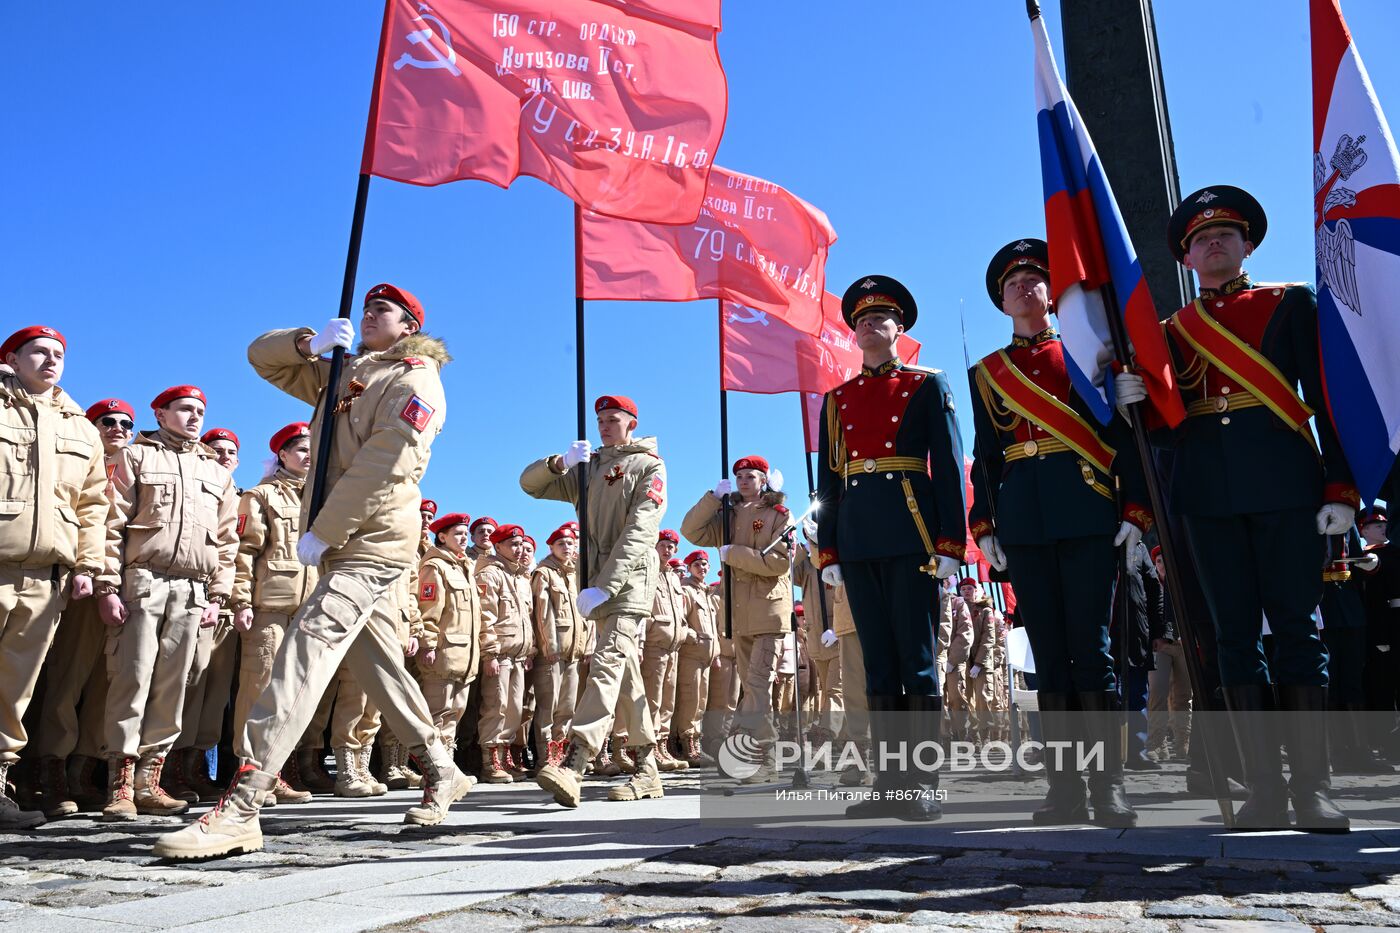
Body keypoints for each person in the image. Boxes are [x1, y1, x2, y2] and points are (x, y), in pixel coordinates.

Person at [154, 283, 471, 860]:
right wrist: (308, 342)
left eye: (384, 311)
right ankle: (441, 766)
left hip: (371, 539)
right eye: (367, 307)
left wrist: (327, 528)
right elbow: (260, 358)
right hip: (338, 542)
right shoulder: (343, 374)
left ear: (409, 328)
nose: (369, 314)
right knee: (376, 666)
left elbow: (388, 463)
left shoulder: (415, 379)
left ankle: (244, 801)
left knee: (306, 648)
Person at [1116, 186, 1358, 832]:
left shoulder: (1290, 304)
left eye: (1225, 233)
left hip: (1285, 484)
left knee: (1299, 634)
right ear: (1187, 258)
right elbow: (1167, 435)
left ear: (1247, 244)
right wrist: (1132, 400)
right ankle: (1265, 790)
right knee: (1233, 642)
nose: (1213, 243)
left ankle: (1313, 788)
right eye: (1201, 239)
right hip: (1208, 496)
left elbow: (1328, 397)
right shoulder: (1173, 333)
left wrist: (1341, 488)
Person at [969, 241, 1147, 828]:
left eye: (1033, 279)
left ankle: (1109, 786)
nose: (1023, 288)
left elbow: (1124, 440)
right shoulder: (988, 372)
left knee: (1093, 656)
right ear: (1001, 301)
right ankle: (1066, 787)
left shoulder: (1088, 350)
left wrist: (1135, 511)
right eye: (1012, 283)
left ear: (1052, 292)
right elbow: (987, 456)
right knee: (1049, 660)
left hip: (1087, 509)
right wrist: (984, 524)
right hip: (1025, 521)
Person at [815, 275, 967, 822]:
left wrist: (953, 540)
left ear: (900, 328)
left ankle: (921, 780)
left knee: (917, 661)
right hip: (857, 538)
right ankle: (890, 781)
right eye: (860, 321)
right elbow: (828, 482)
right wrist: (828, 551)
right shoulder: (838, 399)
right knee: (877, 664)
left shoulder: (928, 384)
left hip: (912, 533)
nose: (870, 327)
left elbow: (947, 467)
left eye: (881, 319)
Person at [96, 385, 238, 821]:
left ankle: (149, 780)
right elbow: (110, 522)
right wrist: (107, 584)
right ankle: (119, 785)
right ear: (160, 414)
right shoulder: (135, 458)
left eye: (199, 410)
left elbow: (229, 540)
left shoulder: (217, 473)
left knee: (172, 687)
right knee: (131, 678)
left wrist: (219, 594)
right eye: (184, 409)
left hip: (194, 589)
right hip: (143, 580)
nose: (194, 417)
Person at [522, 394, 667, 808]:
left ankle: (575, 761)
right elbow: (530, 486)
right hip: (596, 587)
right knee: (623, 675)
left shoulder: (648, 466)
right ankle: (646, 769)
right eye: (600, 419)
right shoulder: (590, 470)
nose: (604, 426)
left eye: (613, 419)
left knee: (605, 665)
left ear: (632, 423)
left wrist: (607, 583)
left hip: (625, 585)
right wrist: (560, 463)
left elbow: (641, 531)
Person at [0, 327, 109, 829]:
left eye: (59, 354)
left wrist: (88, 565)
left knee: (14, 691)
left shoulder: (81, 429)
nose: (50, 361)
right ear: (12, 358)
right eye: (39, 352)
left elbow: (93, 506)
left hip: (46, 578)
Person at [32, 397, 131, 817]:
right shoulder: (72, 459)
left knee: (106, 686)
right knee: (65, 679)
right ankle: (48, 770)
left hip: (125, 587)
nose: (118, 429)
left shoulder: (136, 466)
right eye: (107, 421)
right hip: (81, 583)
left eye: (126, 423)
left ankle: (85, 769)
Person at [682, 455, 796, 784]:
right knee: (753, 689)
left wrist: (735, 555)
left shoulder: (779, 515)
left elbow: (779, 563)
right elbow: (690, 530)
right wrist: (711, 499)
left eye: (751, 476)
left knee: (757, 686)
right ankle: (768, 759)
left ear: (764, 481)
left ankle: (747, 755)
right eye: (740, 476)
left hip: (768, 614)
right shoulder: (727, 515)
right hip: (739, 616)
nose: (744, 481)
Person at [226, 423, 318, 807]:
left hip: (308, 608)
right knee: (259, 688)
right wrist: (241, 601)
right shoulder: (260, 495)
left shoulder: (323, 499)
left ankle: (276, 771)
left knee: (292, 694)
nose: (307, 456)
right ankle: (249, 772)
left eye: (312, 449)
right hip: (269, 606)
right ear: (281, 454)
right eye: (299, 449)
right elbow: (244, 552)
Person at [165, 426, 245, 805]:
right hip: (191, 594)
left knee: (213, 697)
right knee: (185, 687)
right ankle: (172, 769)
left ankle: (196, 767)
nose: (224, 456)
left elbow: (236, 554)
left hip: (225, 605)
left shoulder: (239, 498)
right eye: (217, 450)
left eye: (231, 452)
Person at [417, 511, 483, 771]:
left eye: (465, 534)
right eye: (458, 533)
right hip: (443, 653)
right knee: (438, 714)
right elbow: (429, 610)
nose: (464, 538)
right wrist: (428, 643)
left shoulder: (464, 567)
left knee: (455, 713)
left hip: (464, 655)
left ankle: (447, 766)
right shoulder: (435, 567)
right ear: (442, 537)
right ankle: (434, 771)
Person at [476, 523, 535, 783]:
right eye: (513, 544)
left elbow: (528, 619)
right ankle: (491, 761)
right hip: (499, 655)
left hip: (518, 656)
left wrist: (529, 650)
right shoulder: (490, 574)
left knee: (513, 709)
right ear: (498, 546)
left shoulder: (520, 578)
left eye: (521, 544)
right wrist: (489, 653)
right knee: (495, 707)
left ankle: (506, 756)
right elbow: (485, 617)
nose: (518, 548)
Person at [530, 522, 585, 768]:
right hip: (553, 651)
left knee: (567, 707)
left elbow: (583, 614)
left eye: (570, 543)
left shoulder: (575, 575)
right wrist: (549, 646)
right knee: (548, 706)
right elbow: (543, 614)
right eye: (561, 543)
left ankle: (560, 750)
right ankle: (545, 754)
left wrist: (583, 645)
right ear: (551, 547)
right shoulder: (544, 573)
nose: (566, 547)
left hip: (573, 651)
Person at [642, 529, 693, 773]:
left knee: (667, 702)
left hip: (673, 646)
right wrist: (643, 640)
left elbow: (680, 613)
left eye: (671, 547)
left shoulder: (674, 577)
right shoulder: (647, 572)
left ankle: (662, 746)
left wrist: (682, 632)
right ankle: (649, 748)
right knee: (652, 699)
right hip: (654, 645)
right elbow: (643, 610)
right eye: (662, 545)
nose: (667, 550)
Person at [1146, 546, 1194, 762]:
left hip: (1184, 644)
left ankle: (1183, 742)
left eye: (1165, 560)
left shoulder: (1183, 584)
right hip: (1160, 645)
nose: (1162, 565)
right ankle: (1157, 744)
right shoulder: (1153, 584)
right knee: (1158, 693)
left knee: (1183, 696)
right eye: (1158, 561)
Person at [674, 550, 718, 766]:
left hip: (706, 657)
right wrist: (695, 638)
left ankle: (696, 743)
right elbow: (681, 621)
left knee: (701, 701)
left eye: (704, 565)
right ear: (689, 568)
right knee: (690, 700)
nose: (702, 568)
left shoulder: (706, 593)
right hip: (691, 653)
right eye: (697, 565)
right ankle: (687, 744)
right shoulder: (686, 590)